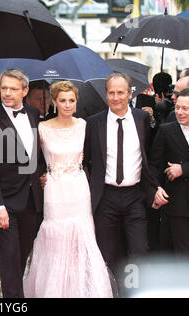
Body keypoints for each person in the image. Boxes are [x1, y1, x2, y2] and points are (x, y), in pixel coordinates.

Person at [23, 81, 112, 298]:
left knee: (82, 238)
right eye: (62, 100)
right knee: (55, 239)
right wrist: (41, 176)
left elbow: (93, 156)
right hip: (54, 189)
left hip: (80, 188)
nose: (67, 104)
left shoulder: (84, 125)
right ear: (54, 101)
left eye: (71, 100)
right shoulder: (42, 128)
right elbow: (32, 161)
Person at [83, 73, 161, 282]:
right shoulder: (94, 123)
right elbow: (85, 160)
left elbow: (148, 157)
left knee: (139, 250)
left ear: (129, 94)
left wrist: (154, 187)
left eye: (120, 92)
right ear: (106, 94)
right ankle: (110, 292)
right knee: (107, 253)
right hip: (105, 196)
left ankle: (133, 291)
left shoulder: (141, 119)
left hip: (135, 195)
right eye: (111, 93)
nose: (116, 97)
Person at [0, 68, 45, 298]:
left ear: (25, 90)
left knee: (21, 256)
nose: (7, 93)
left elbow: (35, 153)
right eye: (3, 88)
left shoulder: (34, 113)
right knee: (8, 259)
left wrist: (43, 173)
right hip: (6, 202)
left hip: (31, 198)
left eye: (13, 89)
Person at [149, 88, 189, 260]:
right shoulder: (166, 131)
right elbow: (154, 165)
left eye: (185, 108)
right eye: (177, 107)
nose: (179, 112)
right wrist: (156, 188)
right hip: (177, 203)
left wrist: (184, 169)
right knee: (184, 257)